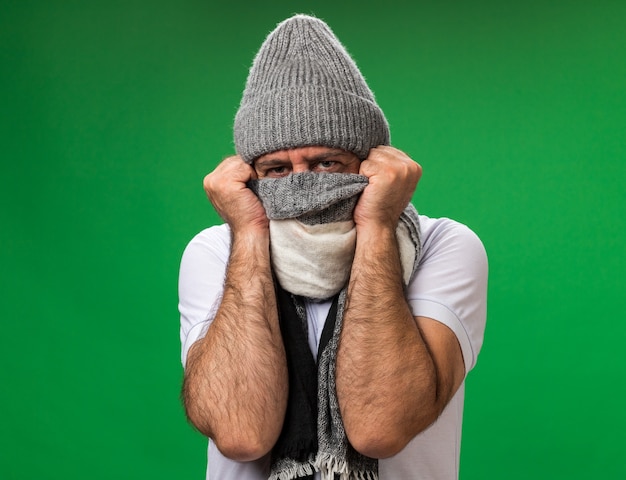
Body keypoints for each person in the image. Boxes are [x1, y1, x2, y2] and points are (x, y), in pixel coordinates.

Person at [179, 13, 487, 480]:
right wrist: (248, 234)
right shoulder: (219, 251)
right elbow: (242, 432)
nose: (301, 186)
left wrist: (379, 226)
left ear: (371, 161)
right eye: (277, 170)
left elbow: (379, 427)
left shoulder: (441, 245)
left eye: (326, 162)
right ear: (249, 175)